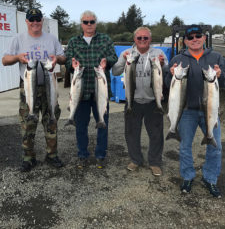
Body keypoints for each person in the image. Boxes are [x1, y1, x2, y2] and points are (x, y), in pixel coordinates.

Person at [2, 8, 66, 172]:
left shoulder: (51, 39)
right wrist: (17, 57)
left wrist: (57, 58)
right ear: (27, 22)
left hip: (49, 86)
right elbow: (5, 59)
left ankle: (52, 155)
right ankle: (28, 158)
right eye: (32, 19)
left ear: (42, 21)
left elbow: (63, 57)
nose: (35, 22)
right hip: (28, 87)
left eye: (38, 19)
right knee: (27, 123)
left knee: (51, 120)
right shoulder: (18, 39)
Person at [164, 25, 225, 198]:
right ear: (185, 41)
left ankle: (210, 178)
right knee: (184, 147)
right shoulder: (177, 58)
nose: (195, 39)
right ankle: (188, 176)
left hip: (210, 111)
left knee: (216, 147)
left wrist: (221, 76)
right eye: (190, 37)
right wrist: (171, 74)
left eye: (198, 36)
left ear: (204, 38)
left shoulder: (216, 56)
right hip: (187, 111)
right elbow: (168, 84)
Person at [112, 27, 168, 176]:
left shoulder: (159, 53)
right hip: (133, 101)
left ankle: (155, 162)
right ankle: (135, 160)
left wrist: (163, 65)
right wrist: (123, 60)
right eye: (139, 38)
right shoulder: (128, 54)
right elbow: (115, 71)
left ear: (150, 39)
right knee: (131, 133)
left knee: (156, 134)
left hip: (153, 101)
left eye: (146, 38)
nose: (142, 40)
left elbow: (169, 73)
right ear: (134, 39)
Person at [65, 10, 117, 169]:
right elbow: (67, 62)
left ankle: (100, 155)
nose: (89, 25)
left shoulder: (105, 39)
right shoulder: (74, 41)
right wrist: (72, 65)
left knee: (102, 124)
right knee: (81, 126)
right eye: (86, 22)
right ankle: (82, 154)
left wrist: (105, 62)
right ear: (81, 24)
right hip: (81, 91)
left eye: (92, 22)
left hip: (100, 91)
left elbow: (114, 58)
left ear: (96, 23)